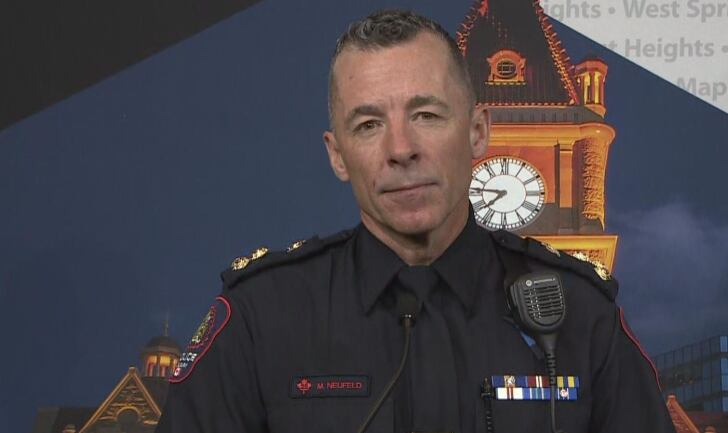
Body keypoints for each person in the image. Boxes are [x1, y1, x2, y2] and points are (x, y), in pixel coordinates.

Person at [156, 10, 675, 433]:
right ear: (337, 155)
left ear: (476, 132)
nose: (400, 149)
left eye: (426, 115)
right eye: (368, 124)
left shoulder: (581, 317)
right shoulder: (260, 318)